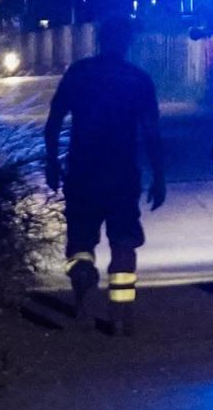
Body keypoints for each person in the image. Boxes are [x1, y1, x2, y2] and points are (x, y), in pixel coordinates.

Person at [43, 17, 165, 336]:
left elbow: (54, 120)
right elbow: (151, 133)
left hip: (83, 172)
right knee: (123, 240)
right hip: (122, 174)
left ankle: (83, 286)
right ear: (127, 42)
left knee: (81, 241)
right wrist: (159, 175)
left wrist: (51, 164)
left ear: (100, 38)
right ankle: (120, 314)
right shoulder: (137, 79)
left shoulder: (79, 73)